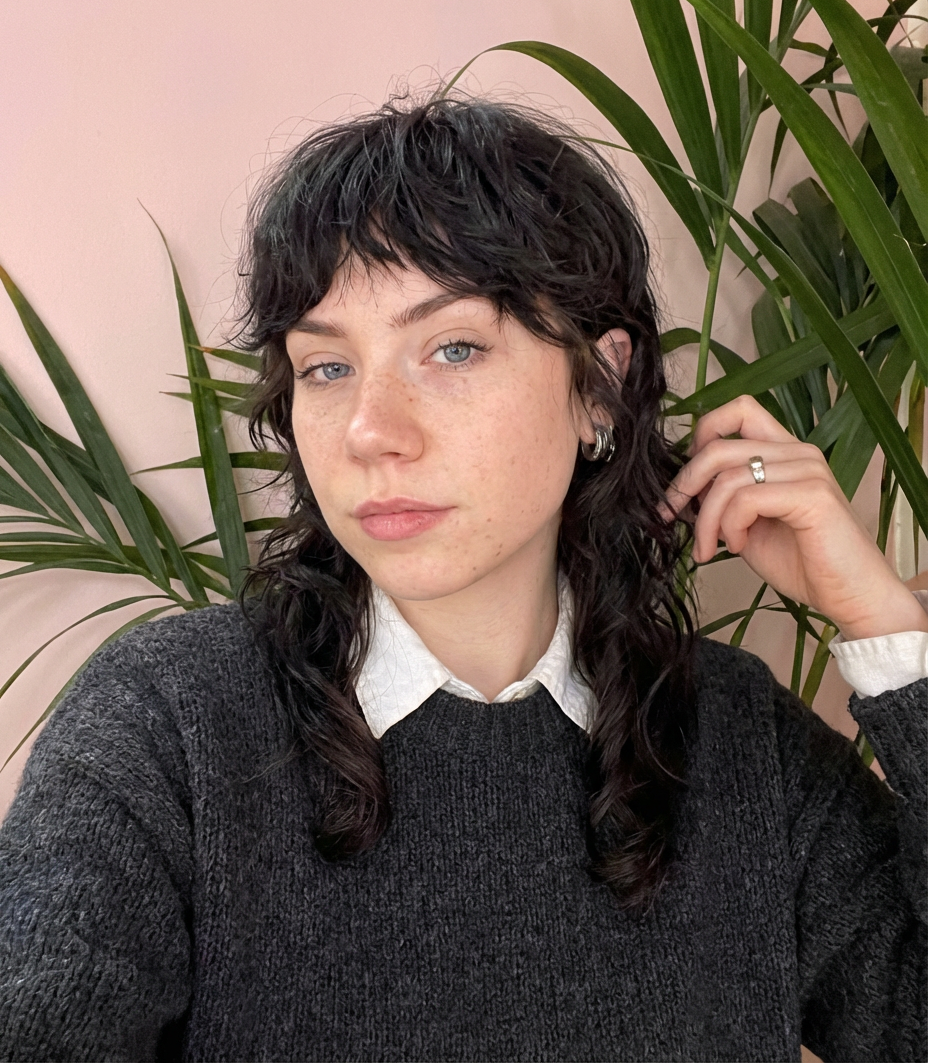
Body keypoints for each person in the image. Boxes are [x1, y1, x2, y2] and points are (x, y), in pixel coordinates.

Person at [0, 95, 925, 1063]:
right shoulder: (172, 724)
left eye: (451, 349)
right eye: (325, 368)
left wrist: (886, 630)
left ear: (598, 387)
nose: (370, 431)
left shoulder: (737, 741)